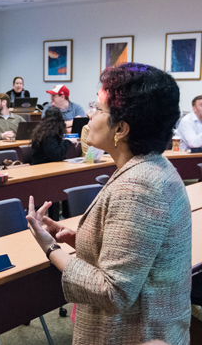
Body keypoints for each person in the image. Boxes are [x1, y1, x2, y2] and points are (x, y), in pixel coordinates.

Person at [27, 63, 190, 345]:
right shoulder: (151, 167)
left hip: (133, 335)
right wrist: (84, 241)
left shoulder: (137, 186)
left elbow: (113, 292)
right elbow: (139, 254)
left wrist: (50, 248)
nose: (89, 115)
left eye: (98, 109)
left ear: (121, 129)